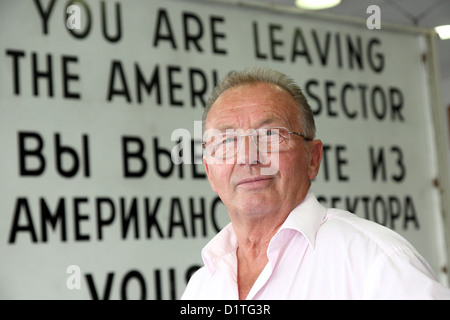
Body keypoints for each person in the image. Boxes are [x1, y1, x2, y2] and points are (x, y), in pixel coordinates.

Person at [181, 66, 450, 300]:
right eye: (226, 141)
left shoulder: (375, 260)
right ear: (209, 171)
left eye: (271, 134)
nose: (248, 157)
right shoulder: (202, 285)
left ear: (313, 158)